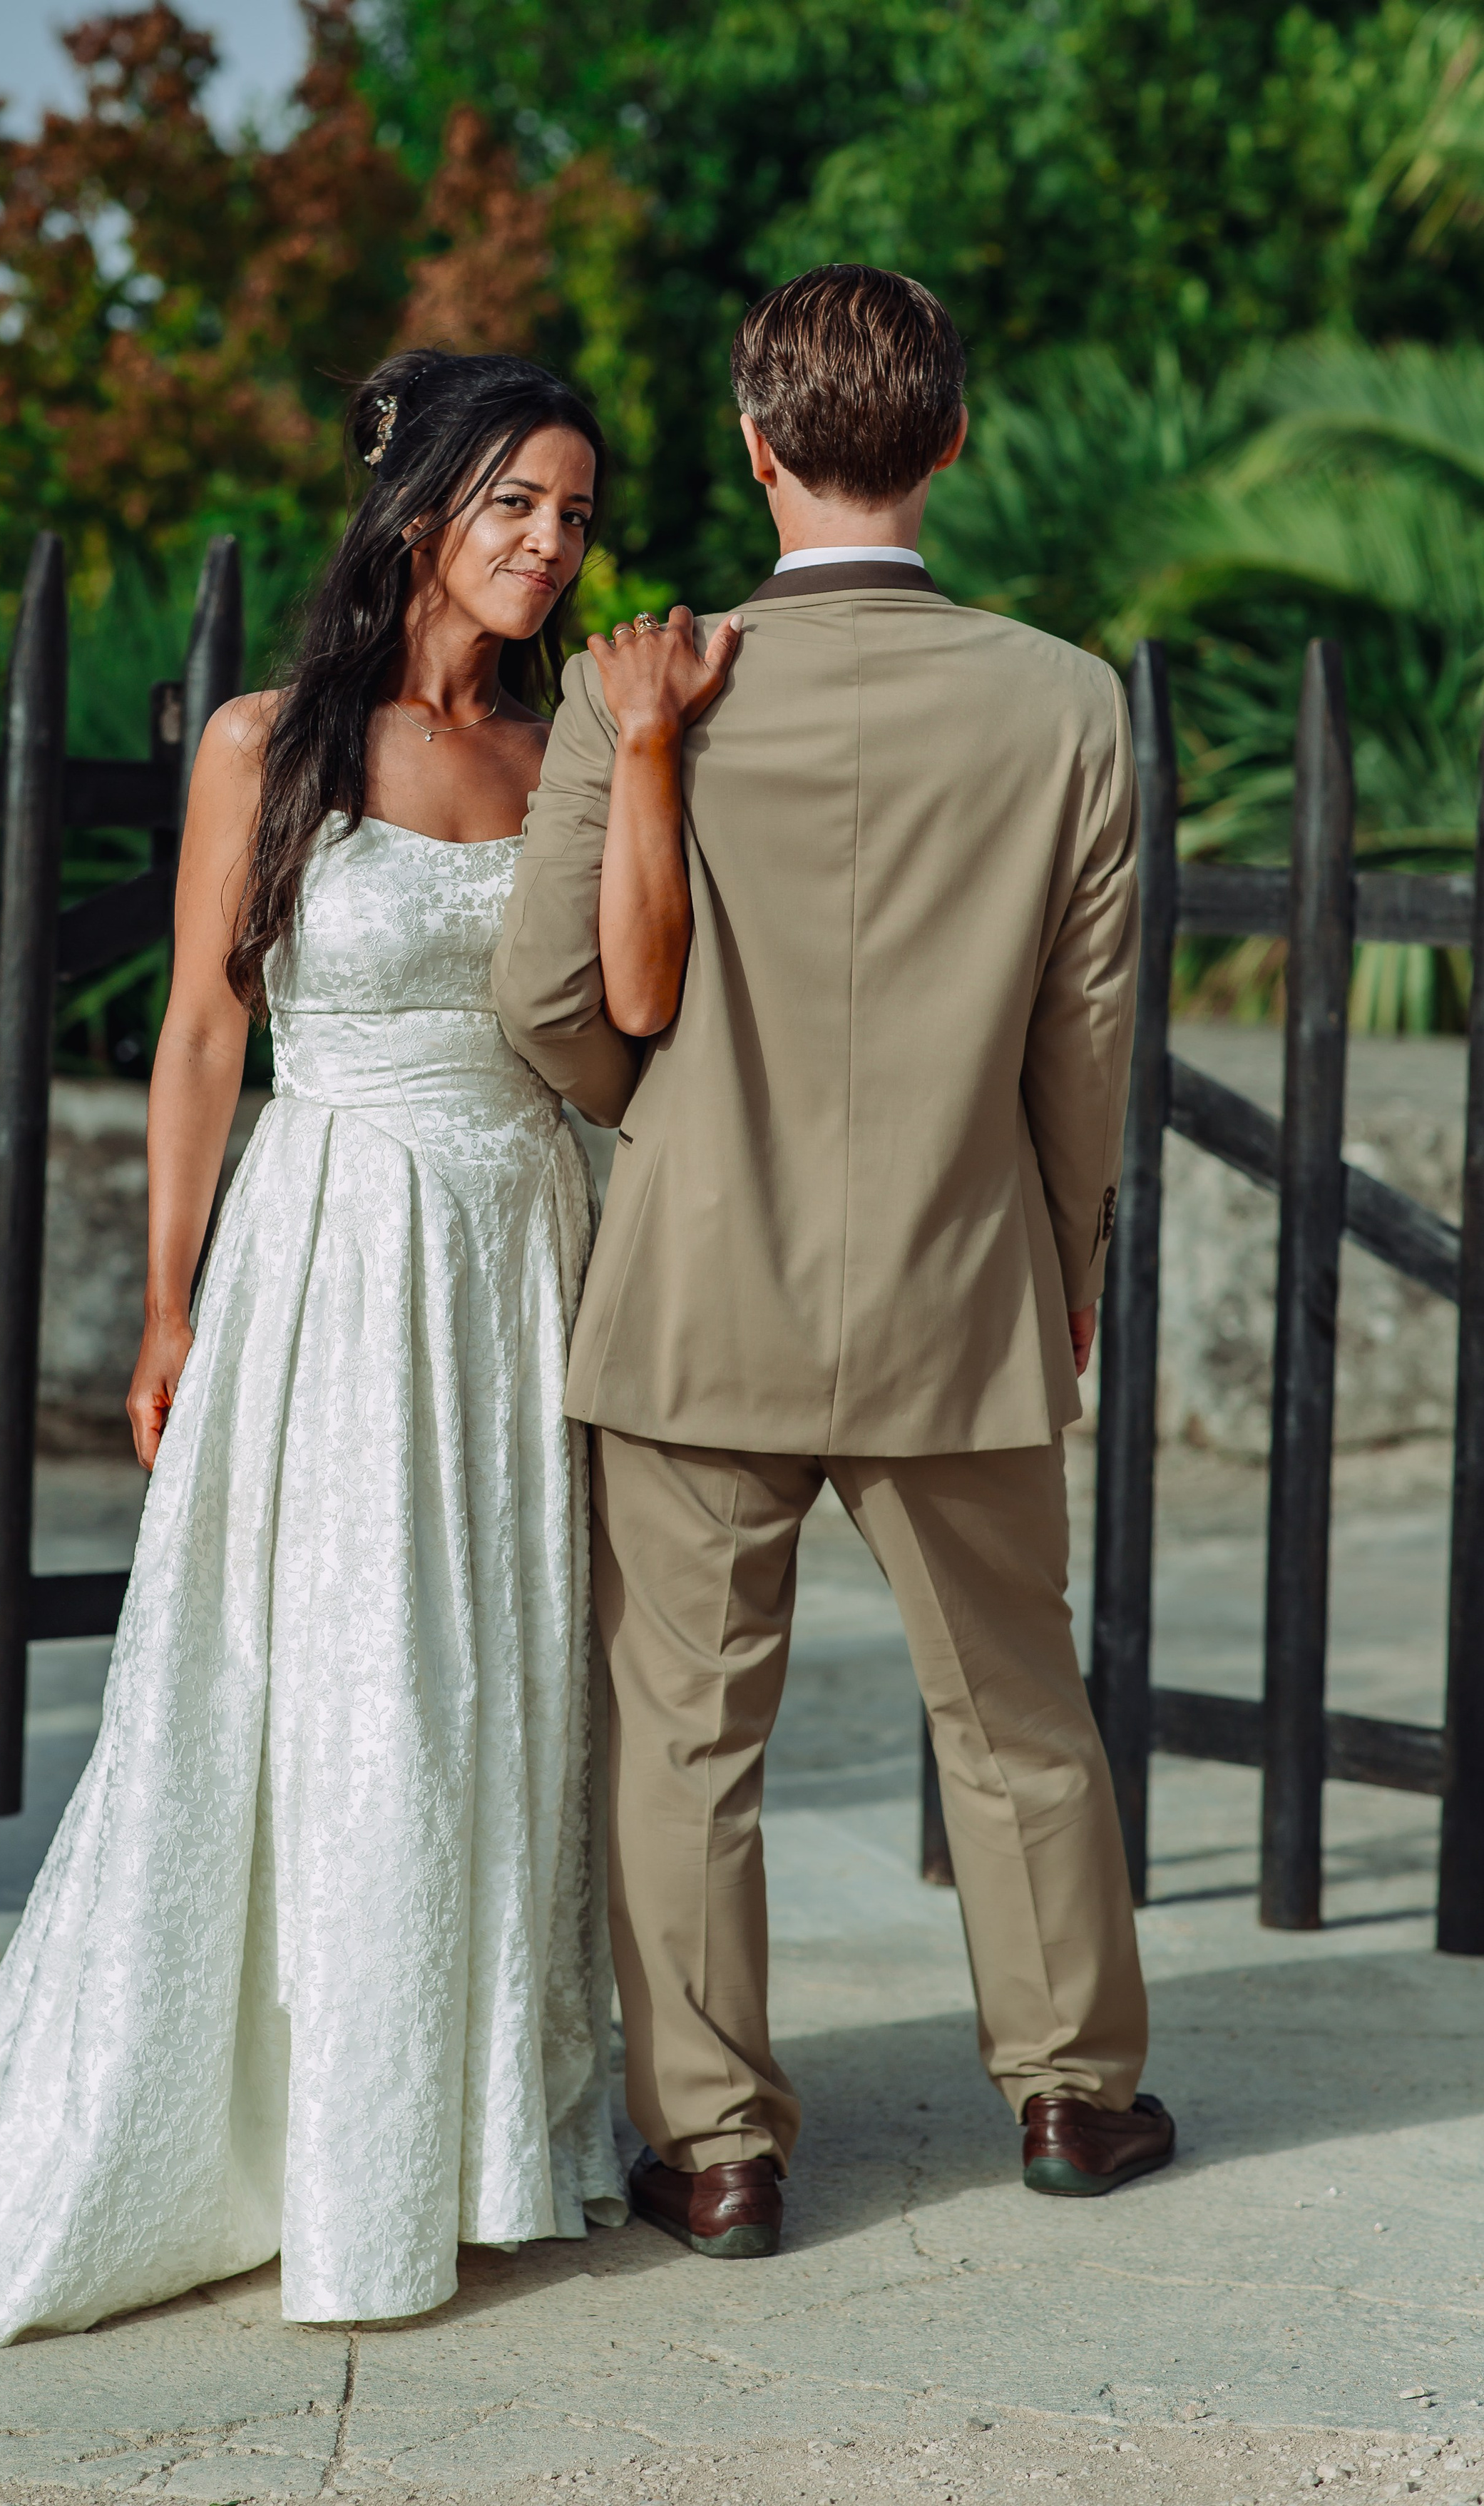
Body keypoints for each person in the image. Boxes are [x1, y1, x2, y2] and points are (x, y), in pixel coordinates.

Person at [0, 349, 732, 2338]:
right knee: (346, 1671)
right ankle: (334, 2135)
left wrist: (647, 759)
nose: (553, 544)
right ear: (426, 510)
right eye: (519, 503)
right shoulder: (265, 739)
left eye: (576, 512)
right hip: (329, 1242)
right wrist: (167, 1292)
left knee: (506, 1670)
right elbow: (205, 1032)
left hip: (519, 1246)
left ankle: (487, 2123)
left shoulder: (572, 730)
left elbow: (636, 1012)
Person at [494, 263, 1176, 2266]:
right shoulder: (1066, 700)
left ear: (755, 441)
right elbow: (1089, 1038)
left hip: (697, 1294)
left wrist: (672, 1099)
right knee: (1019, 1715)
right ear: (951, 440)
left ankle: (717, 2149)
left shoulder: (648, 681)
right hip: (963, 1288)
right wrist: (1068, 1258)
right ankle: (1073, 2096)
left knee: (688, 1741)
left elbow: (547, 1002)